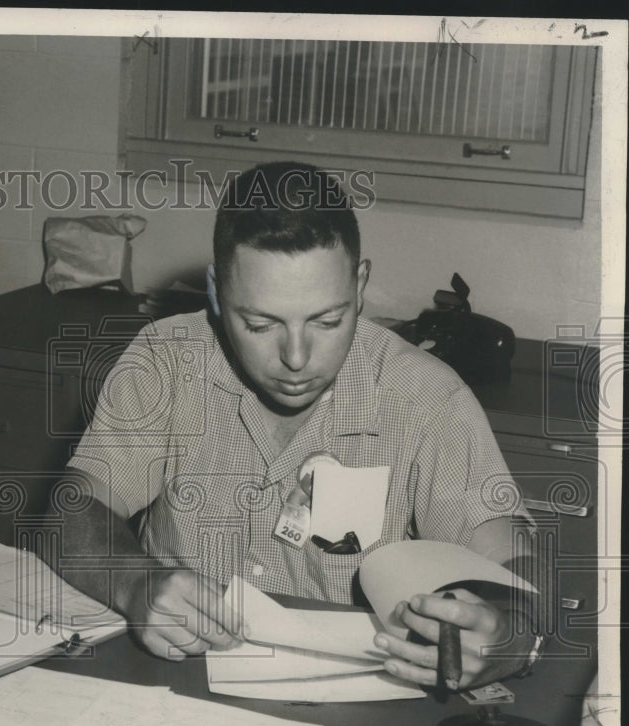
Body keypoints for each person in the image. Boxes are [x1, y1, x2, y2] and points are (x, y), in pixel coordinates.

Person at [56, 161, 542, 690]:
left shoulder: (425, 398)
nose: (295, 357)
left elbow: (515, 565)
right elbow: (69, 509)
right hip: (176, 677)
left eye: (326, 321)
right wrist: (135, 583)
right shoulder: (165, 362)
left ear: (359, 286)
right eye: (260, 324)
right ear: (217, 291)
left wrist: (512, 637)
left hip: (352, 698)